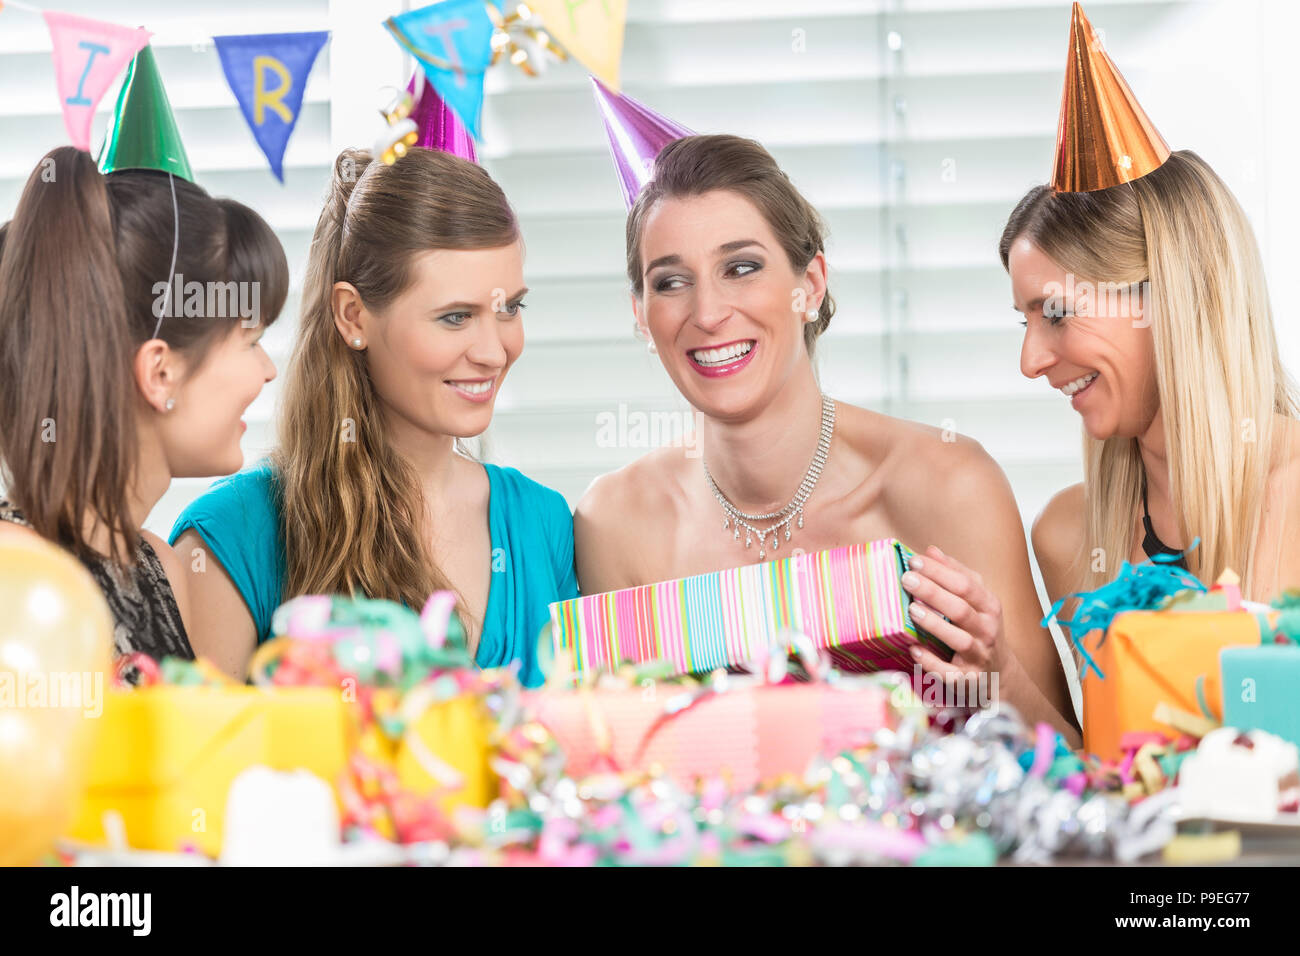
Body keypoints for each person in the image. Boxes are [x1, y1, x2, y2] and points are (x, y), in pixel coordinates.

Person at [575, 134, 1079, 742]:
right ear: (641, 314)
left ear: (809, 284)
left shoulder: (949, 484)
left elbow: (1070, 767)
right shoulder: (615, 523)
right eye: (670, 281)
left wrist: (998, 678)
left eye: (741, 267)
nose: (707, 313)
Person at [171, 147, 578, 686]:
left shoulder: (544, 523)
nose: (494, 351)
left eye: (509, 309)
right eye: (455, 317)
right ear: (353, 315)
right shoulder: (231, 536)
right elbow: (199, 764)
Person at [1004, 5, 1300, 615]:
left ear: (1166, 295)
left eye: (1056, 312)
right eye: (1024, 321)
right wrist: (999, 660)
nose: (1031, 361)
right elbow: (1101, 719)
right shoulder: (1067, 536)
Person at [0, 146, 286, 663]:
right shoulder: (14, 575)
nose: (268, 369)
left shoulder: (162, 568)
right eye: (250, 340)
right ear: (160, 373)